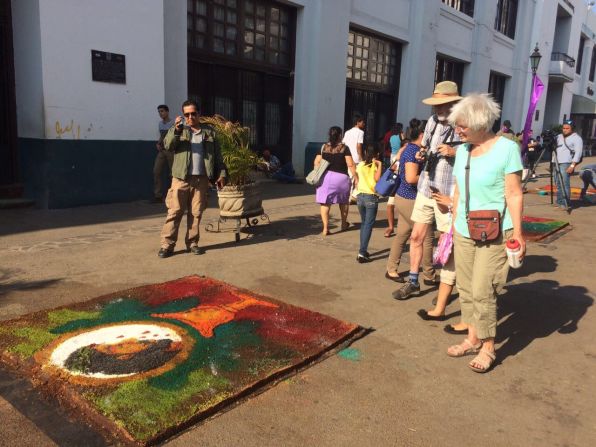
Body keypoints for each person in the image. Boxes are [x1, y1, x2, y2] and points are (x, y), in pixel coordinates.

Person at [447, 93, 525, 373]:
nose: (458, 130)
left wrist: (518, 232)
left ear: (481, 123)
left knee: (483, 289)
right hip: (463, 230)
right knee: (465, 288)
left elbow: (514, 194)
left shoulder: (506, 149)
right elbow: (458, 191)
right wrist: (452, 223)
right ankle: (472, 337)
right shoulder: (463, 151)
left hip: (496, 231)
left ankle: (488, 346)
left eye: (462, 125)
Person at [392, 81, 462, 300]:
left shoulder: (464, 123)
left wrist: (455, 152)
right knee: (416, 236)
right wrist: (422, 153)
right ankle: (413, 281)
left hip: (448, 190)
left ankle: (449, 288)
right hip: (425, 187)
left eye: (443, 105)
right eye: (436, 105)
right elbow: (426, 146)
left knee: (447, 242)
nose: (438, 109)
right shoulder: (431, 121)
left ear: (453, 102)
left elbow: (477, 154)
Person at [157, 100, 227, 258]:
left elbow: (218, 157)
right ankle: (167, 245)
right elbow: (168, 146)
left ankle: (193, 242)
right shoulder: (178, 130)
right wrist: (176, 130)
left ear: (199, 114)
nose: (190, 117)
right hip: (181, 179)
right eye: (186, 114)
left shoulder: (210, 133)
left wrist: (221, 174)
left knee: (196, 213)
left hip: (201, 179)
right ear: (183, 115)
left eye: (193, 113)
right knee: (175, 212)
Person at [385, 119, 434, 283]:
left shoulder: (409, 148)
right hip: (411, 199)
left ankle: (391, 269)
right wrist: (428, 178)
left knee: (402, 234)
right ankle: (429, 274)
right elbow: (411, 178)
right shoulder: (413, 151)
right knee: (426, 237)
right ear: (422, 135)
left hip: (402, 197)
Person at [314, 126, 358, 236]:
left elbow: (316, 162)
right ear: (340, 135)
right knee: (343, 202)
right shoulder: (344, 148)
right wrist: (356, 177)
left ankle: (325, 228)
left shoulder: (323, 147)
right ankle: (343, 224)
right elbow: (350, 164)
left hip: (325, 178)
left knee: (325, 204)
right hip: (341, 178)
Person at [355, 144, 382, 263]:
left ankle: (363, 250)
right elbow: (377, 179)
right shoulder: (374, 165)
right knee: (368, 225)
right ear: (377, 154)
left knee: (364, 223)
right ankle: (362, 252)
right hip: (371, 197)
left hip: (360, 196)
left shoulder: (360, 165)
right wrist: (380, 165)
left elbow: (357, 177)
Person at [554, 120, 583, 210]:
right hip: (556, 162)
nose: (565, 130)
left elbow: (578, 153)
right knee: (558, 182)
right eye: (564, 128)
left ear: (572, 129)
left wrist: (572, 165)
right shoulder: (559, 136)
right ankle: (559, 200)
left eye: (567, 128)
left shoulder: (577, 138)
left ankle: (565, 202)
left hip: (566, 163)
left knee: (564, 183)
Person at [384, 123, 404, 237]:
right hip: (396, 165)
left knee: (391, 204)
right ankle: (393, 227)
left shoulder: (391, 137)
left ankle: (391, 226)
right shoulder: (401, 136)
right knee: (392, 204)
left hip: (393, 156)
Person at [153, 105, 174, 202]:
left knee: (173, 174)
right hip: (162, 151)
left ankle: (174, 196)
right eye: (159, 112)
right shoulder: (160, 124)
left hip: (171, 151)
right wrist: (158, 143)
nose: (160, 113)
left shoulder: (173, 123)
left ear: (167, 112)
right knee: (156, 171)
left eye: (162, 111)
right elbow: (162, 136)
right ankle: (158, 196)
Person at [343, 115, 365, 203]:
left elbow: (343, 144)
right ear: (358, 122)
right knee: (356, 177)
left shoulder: (347, 132)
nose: (364, 124)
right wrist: (360, 156)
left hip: (347, 156)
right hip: (355, 158)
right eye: (362, 122)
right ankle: (351, 196)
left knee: (349, 176)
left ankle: (348, 196)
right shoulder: (360, 132)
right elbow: (359, 145)